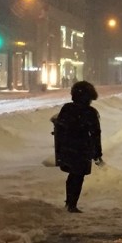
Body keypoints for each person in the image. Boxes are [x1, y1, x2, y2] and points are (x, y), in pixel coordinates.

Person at [51, 80, 103, 212]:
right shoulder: (90, 112)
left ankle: (69, 202)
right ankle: (72, 204)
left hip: (68, 147)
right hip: (82, 148)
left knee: (72, 175)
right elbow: (96, 133)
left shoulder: (67, 108)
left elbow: (60, 127)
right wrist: (97, 153)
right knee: (78, 176)